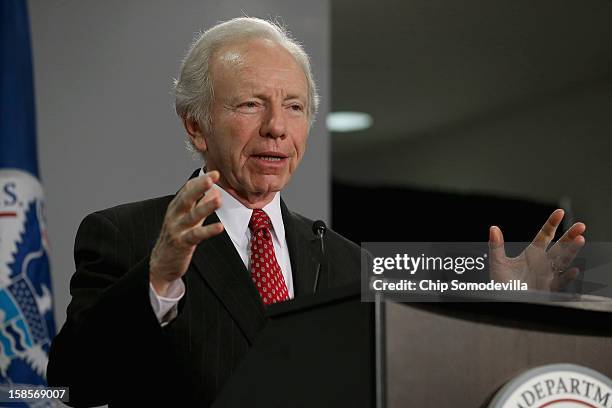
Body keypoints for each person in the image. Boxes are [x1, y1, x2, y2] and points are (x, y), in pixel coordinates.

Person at [47, 16, 586, 408]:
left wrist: (505, 303)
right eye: (251, 104)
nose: (277, 127)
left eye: (296, 107)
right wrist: (160, 276)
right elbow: (71, 384)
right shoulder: (126, 234)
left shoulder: (345, 259)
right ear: (195, 125)